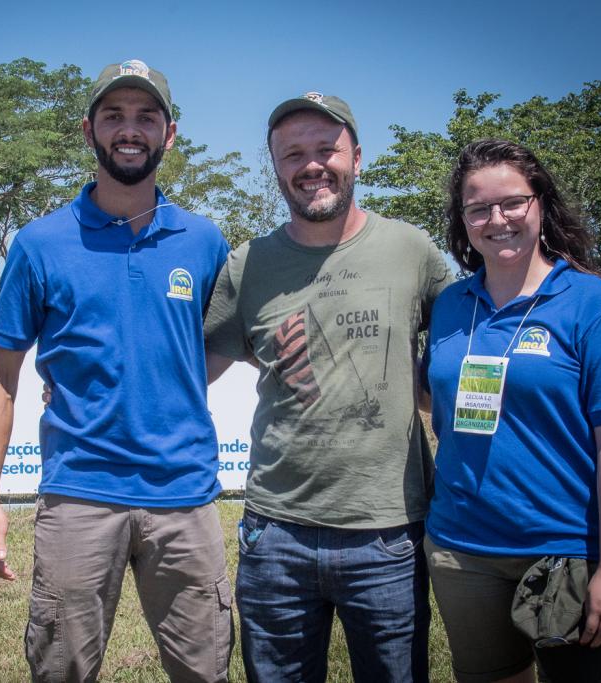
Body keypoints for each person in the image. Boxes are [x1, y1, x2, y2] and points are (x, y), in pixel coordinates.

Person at [0, 59, 233, 683]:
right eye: (114, 116)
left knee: (207, 672)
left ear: (170, 133)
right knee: (60, 671)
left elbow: (219, 346)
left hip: (185, 498)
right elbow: (0, 373)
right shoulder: (40, 242)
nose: (130, 129)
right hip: (79, 495)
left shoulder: (204, 241)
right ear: (89, 130)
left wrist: (167, 383)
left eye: (147, 116)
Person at [204, 92, 452, 682]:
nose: (311, 165)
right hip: (275, 536)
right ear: (277, 169)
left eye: (326, 150)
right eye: (293, 154)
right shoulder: (248, 265)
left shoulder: (411, 251)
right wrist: (86, 385)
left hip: (388, 534)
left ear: (357, 158)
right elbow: (193, 369)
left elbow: (461, 353)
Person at [422, 138, 601, 682]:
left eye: (512, 202)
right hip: (462, 552)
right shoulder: (453, 304)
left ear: (540, 203)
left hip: (567, 551)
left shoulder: (592, 303)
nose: (496, 219)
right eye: (478, 208)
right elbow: (436, 395)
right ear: (463, 220)